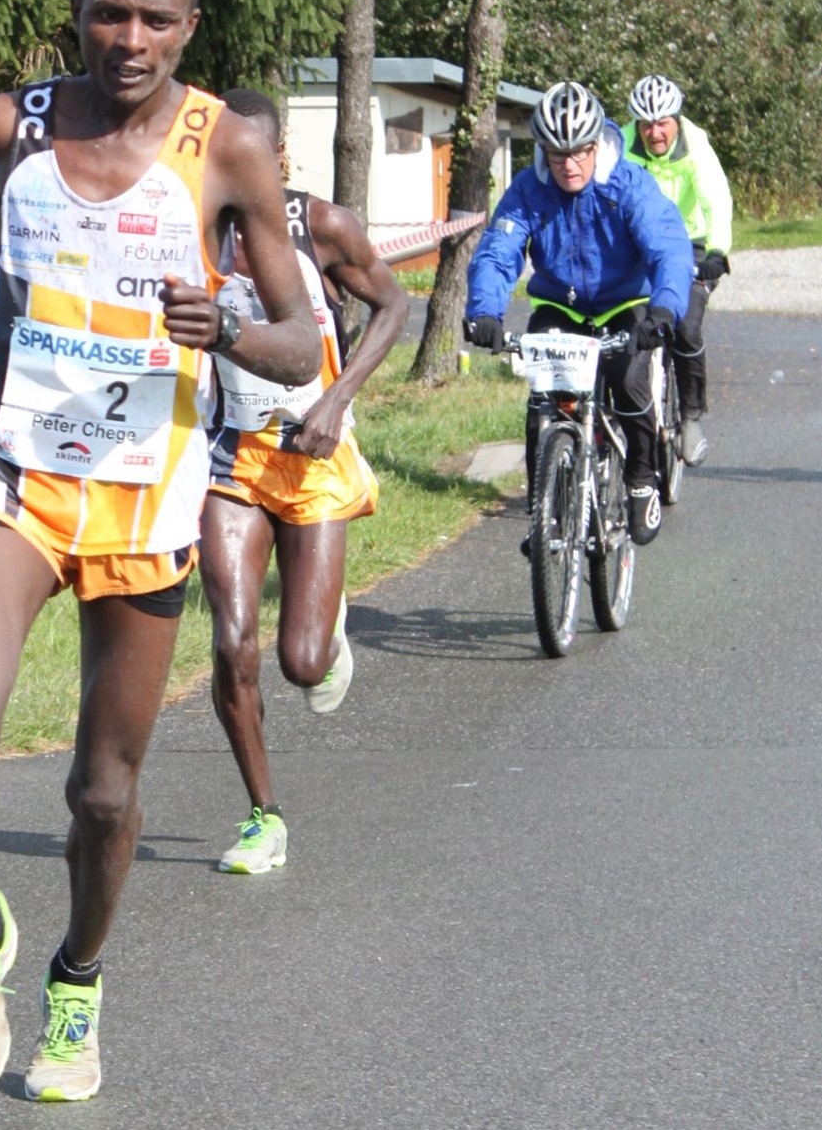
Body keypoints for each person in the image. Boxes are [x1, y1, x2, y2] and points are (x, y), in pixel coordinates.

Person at [0, 0, 320, 1103]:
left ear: (188, 28)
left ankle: (75, 984)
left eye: (155, 20)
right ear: (75, 11)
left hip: (146, 485)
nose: (128, 39)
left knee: (102, 788)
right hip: (10, 469)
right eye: (107, 13)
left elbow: (299, 341)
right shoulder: (8, 125)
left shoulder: (223, 148)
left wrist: (224, 324)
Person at [199, 89, 407, 875]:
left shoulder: (321, 226)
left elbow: (392, 305)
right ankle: (263, 816)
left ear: (277, 158)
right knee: (230, 638)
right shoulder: (195, 233)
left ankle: (329, 629)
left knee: (302, 663)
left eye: (252, 156)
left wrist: (336, 397)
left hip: (313, 454)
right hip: (232, 458)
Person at [463, 80, 692, 548]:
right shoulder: (530, 189)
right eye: (556, 154)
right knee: (542, 404)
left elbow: (668, 245)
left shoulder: (626, 183)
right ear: (543, 151)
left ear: (597, 146)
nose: (569, 165)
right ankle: (542, 513)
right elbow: (499, 250)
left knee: (629, 380)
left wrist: (664, 308)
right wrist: (485, 310)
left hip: (624, 302)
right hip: (559, 305)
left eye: (580, 153)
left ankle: (642, 477)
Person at [622, 73, 733, 465]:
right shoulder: (620, 147)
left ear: (676, 120)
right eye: (647, 124)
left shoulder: (695, 146)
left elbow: (716, 199)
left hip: (690, 247)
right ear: (636, 123)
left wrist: (717, 251)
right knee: (620, 324)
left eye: (663, 123)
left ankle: (691, 416)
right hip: (639, 248)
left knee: (685, 325)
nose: (655, 132)